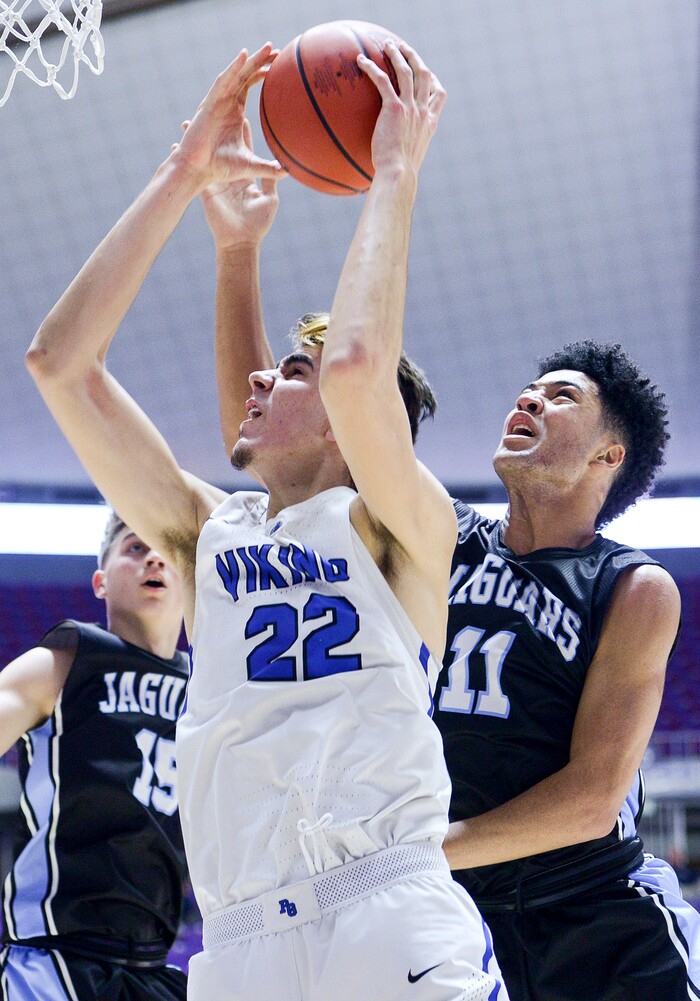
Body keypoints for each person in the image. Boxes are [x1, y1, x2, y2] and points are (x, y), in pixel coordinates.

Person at [25, 41, 508, 1001]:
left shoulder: (407, 529)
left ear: (347, 424)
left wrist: (395, 170)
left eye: (290, 373)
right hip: (241, 940)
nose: (260, 377)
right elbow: (59, 364)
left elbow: (359, 368)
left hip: (386, 906)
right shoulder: (215, 534)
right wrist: (185, 179)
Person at [429, 342, 700, 1001]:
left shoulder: (633, 585)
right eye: (529, 389)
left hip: (600, 919)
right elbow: (309, 442)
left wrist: (412, 854)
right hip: (460, 919)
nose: (529, 398)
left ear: (609, 455)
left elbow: (590, 801)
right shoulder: (441, 536)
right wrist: (240, 262)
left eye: (561, 396)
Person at [0, 512, 189, 1000]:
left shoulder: (209, 694)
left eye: (166, 550)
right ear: (100, 583)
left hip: (152, 965)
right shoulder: (65, 662)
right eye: (132, 547)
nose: (152, 557)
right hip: (53, 956)